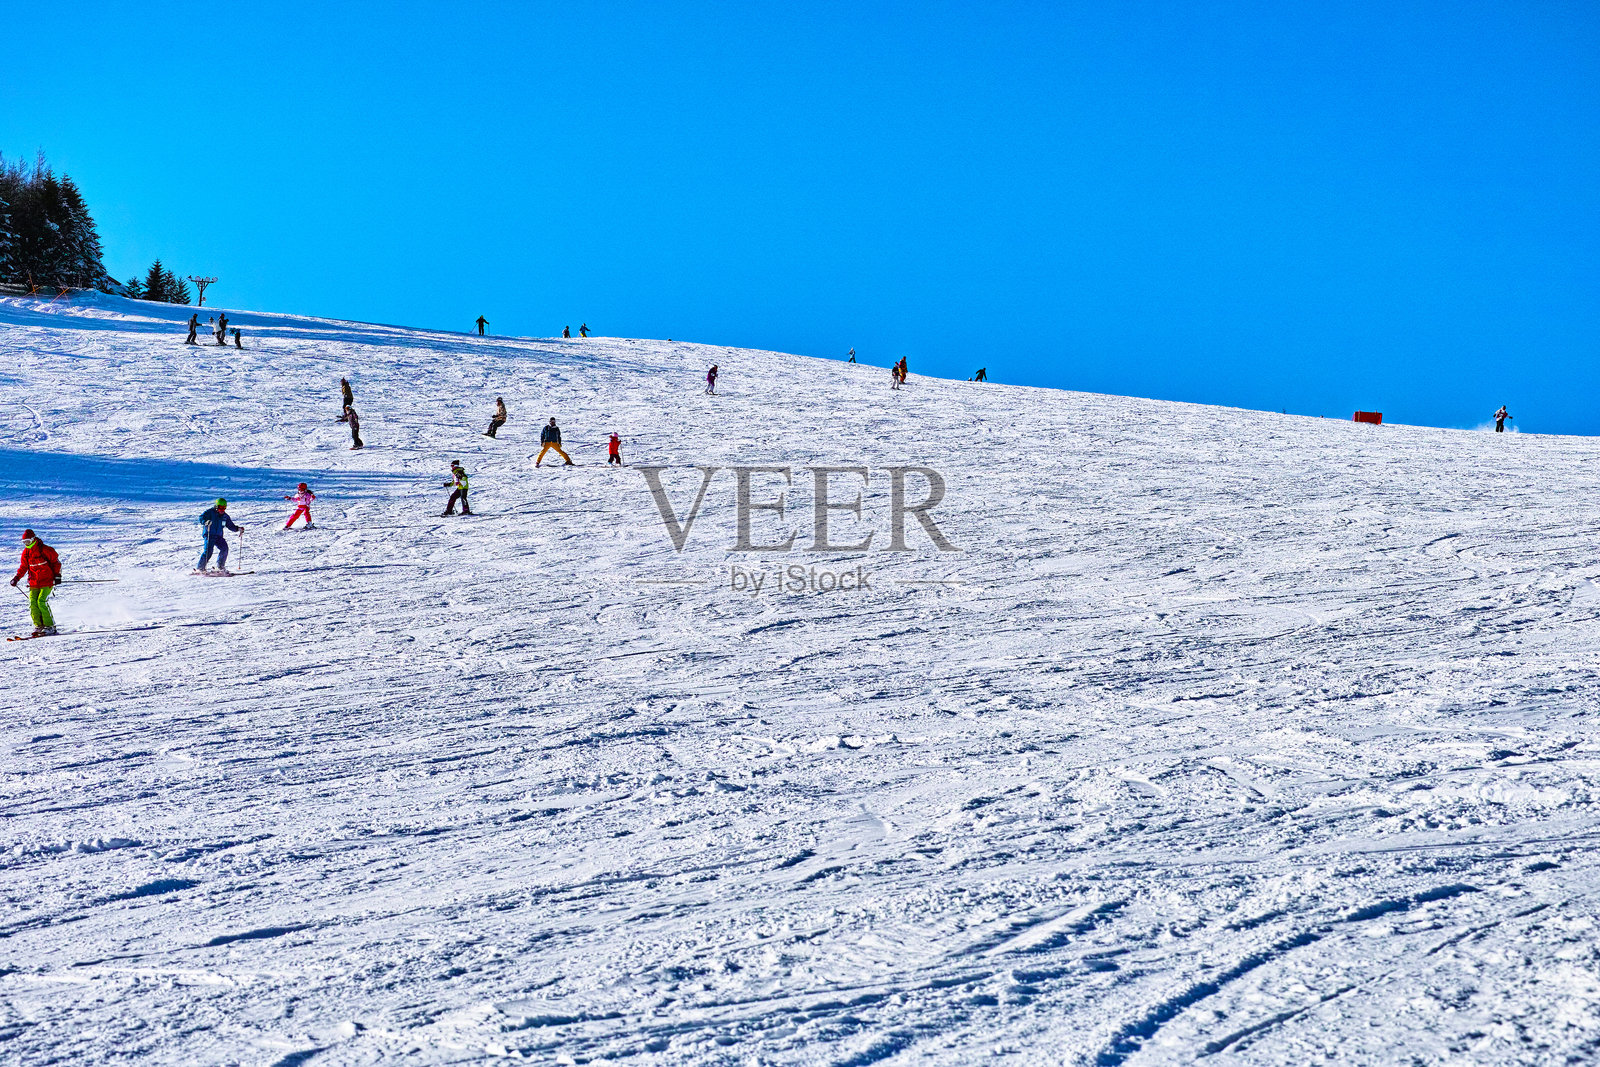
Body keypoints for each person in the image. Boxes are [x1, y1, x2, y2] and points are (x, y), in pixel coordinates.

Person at [10, 529, 62, 637]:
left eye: (28, 541)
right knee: (33, 602)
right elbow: (24, 567)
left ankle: (50, 626)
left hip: (47, 581)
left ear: (33, 539)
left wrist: (57, 576)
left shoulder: (45, 550)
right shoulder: (26, 553)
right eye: (24, 542)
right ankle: (39, 625)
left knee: (41, 601)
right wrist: (16, 578)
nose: (26, 544)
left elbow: (56, 563)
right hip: (34, 582)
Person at [196, 499, 242, 574]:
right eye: (220, 508)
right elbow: (201, 517)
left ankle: (220, 567)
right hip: (209, 535)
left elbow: (230, 526)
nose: (222, 510)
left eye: (224, 508)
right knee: (208, 552)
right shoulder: (210, 512)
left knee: (224, 549)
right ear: (216, 507)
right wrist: (205, 522)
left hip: (218, 536)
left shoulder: (225, 516)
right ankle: (200, 568)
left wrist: (238, 529)